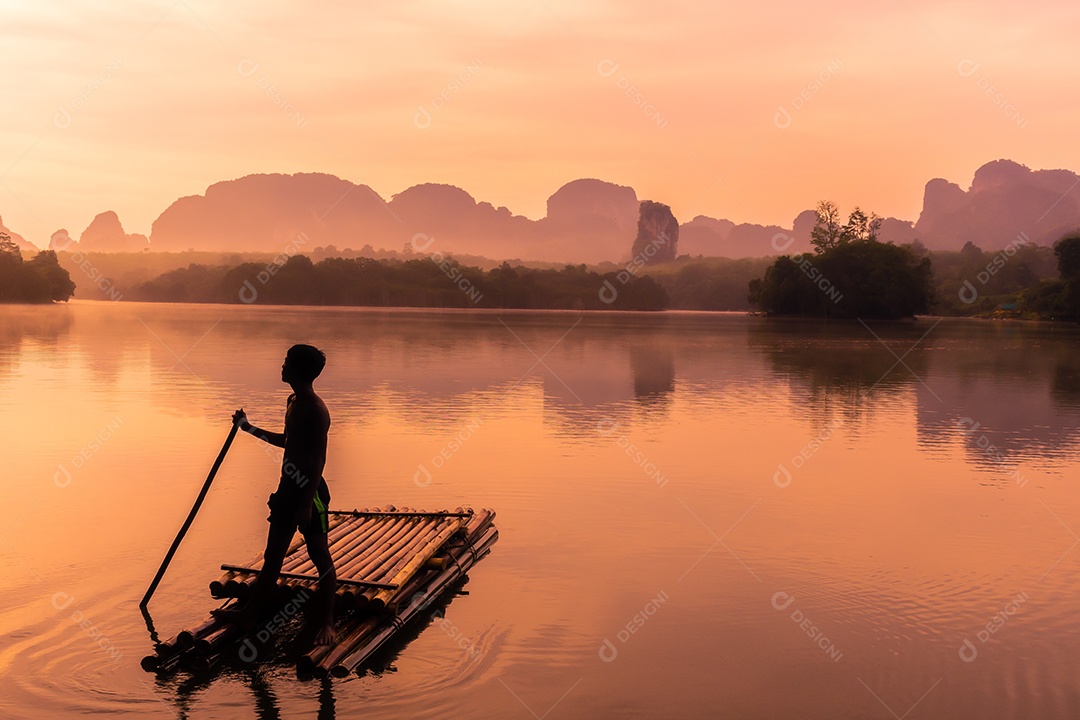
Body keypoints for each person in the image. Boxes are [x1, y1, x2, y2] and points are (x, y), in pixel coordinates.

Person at [214, 344, 336, 647]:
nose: (282, 366)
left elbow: (318, 460)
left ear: (299, 370)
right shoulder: (293, 400)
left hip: (310, 493)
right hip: (287, 489)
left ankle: (327, 623)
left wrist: (307, 503)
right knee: (272, 558)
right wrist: (248, 428)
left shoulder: (315, 409)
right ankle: (250, 614)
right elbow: (287, 441)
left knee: (320, 557)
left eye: (286, 362)